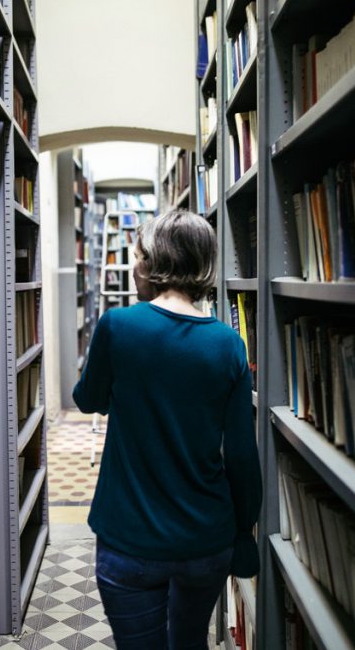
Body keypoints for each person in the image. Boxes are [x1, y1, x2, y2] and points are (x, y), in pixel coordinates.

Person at [73, 209, 262, 649]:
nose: (134, 265)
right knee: (191, 642)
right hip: (206, 539)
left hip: (130, 538)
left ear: (156, 261)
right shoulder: (229, 344)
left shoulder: (118, 326)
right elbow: (240, 454)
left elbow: (89, 400)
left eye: (138, 255)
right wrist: (243, 528)